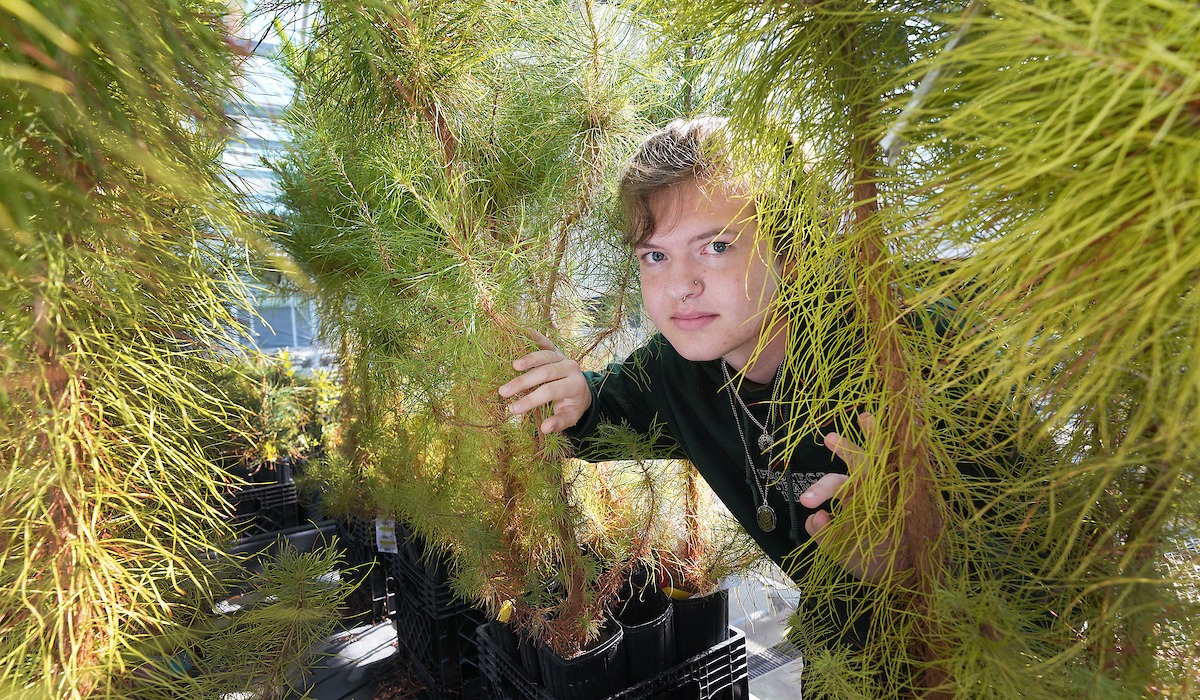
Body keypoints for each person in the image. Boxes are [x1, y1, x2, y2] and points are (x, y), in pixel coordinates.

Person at [498, 116, 893, 662]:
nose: (680, 286)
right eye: (655, 256)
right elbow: (606, 411)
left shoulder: (900, 347)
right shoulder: (677, 369)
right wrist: (578, 399)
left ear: (792, 249)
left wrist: (920, 543)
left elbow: (1040, 539)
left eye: (717, 246)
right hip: (839, 657)